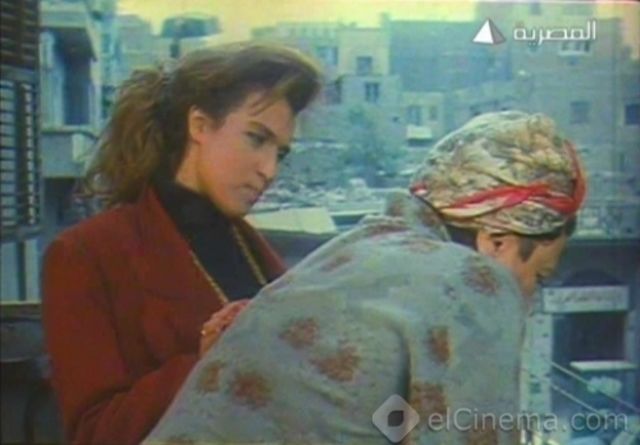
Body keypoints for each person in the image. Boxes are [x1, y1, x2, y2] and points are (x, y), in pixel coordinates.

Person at [143, 110, 587, 445]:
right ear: (496, 241)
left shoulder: (353, 249)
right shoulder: (476, 279)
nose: (530, 297)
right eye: (540, 276)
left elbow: (362, 410)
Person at [41, 42, 322, 445]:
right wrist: (208, 361)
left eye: (281, 153)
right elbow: (94, 433)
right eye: (256, 139)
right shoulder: (85, 255)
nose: (270, 170)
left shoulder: (252, 249)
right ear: (200, 125)